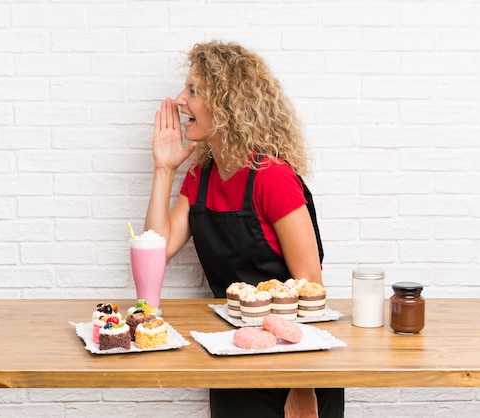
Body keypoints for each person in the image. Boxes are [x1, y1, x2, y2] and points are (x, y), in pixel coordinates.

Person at [144, 40, 344, 418]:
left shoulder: (272, 178)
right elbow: (155, 250)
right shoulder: (201, 177)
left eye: (193, 90)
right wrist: (164, 169)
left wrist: (300, 385)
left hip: (290, 360)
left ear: (226, 104)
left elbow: (310, 287)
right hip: (233, 353)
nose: (179, 100)